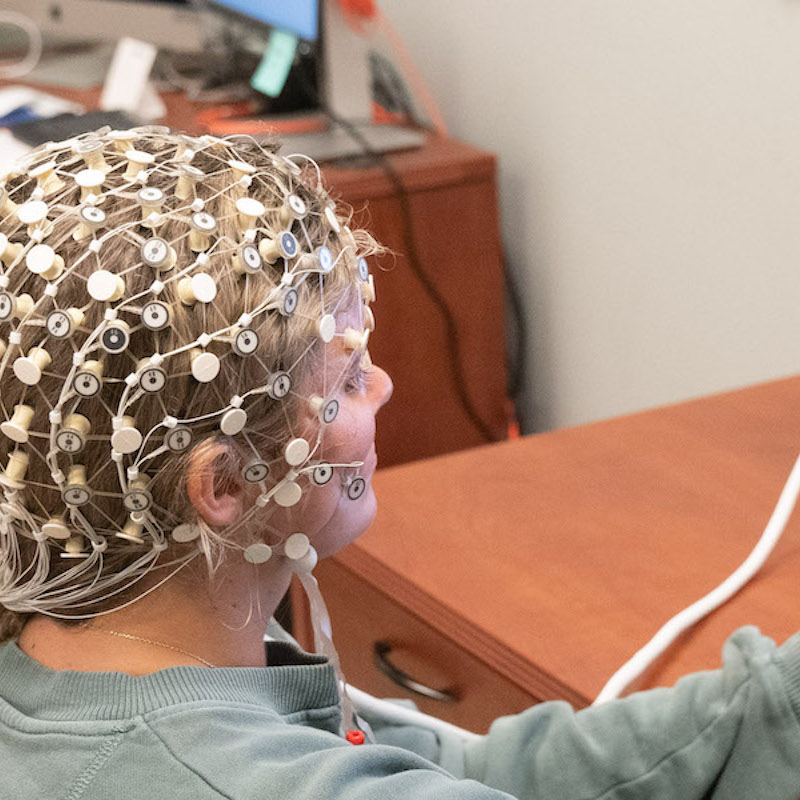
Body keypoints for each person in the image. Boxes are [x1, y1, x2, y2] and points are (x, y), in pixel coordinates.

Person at [0, 127, 799, 800]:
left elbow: (451, 769)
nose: (382, 385)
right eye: (345, 382)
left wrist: (771, 700)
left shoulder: (82, 661)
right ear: (226, 485)